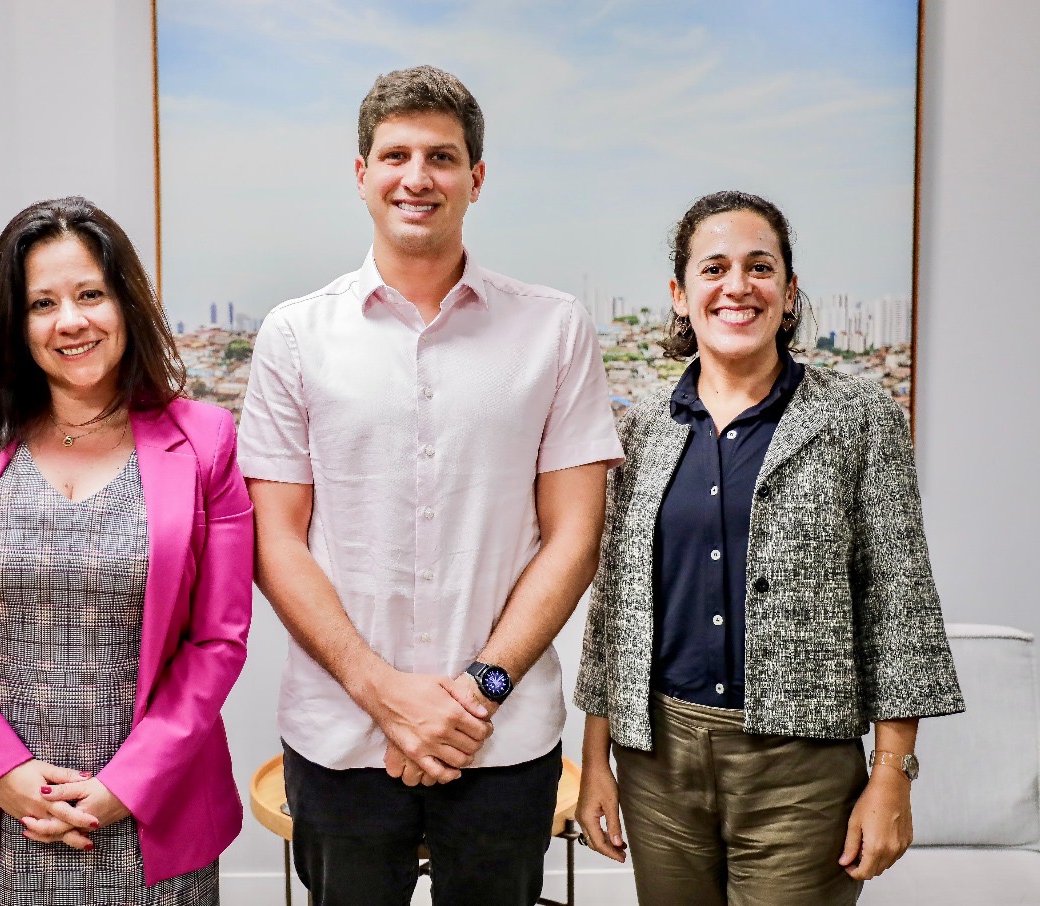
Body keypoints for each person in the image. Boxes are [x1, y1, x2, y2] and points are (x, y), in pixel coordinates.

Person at [237, 65, 623, 906]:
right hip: (342, 738)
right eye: (396, 155)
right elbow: (274, 538)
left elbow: (574, 536)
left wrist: (472, 694)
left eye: (442, 158)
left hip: (503, 732)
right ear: (362, 174)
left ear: (476, 179)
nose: (418, 178)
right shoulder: (295, 336)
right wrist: (388, 697)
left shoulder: (553, 330)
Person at [573, 190, 965, 904]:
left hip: (802, 770)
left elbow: (899, 603)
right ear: (681, 295)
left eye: (760, 267)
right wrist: (595, 758)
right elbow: (616, 610)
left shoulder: (859, 415)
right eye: (714, 268)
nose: (737, 286)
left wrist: (892, 774)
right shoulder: (641, 430)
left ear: (788, 294)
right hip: (658, 762)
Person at [0, 196, 252, 905]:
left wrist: (127, 784)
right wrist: (2, 771)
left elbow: (219, 640)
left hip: (154, 811)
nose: (72, 321)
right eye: (42, 303)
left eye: (91, 294)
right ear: (15, 323)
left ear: (125, 302)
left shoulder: (206, 439)